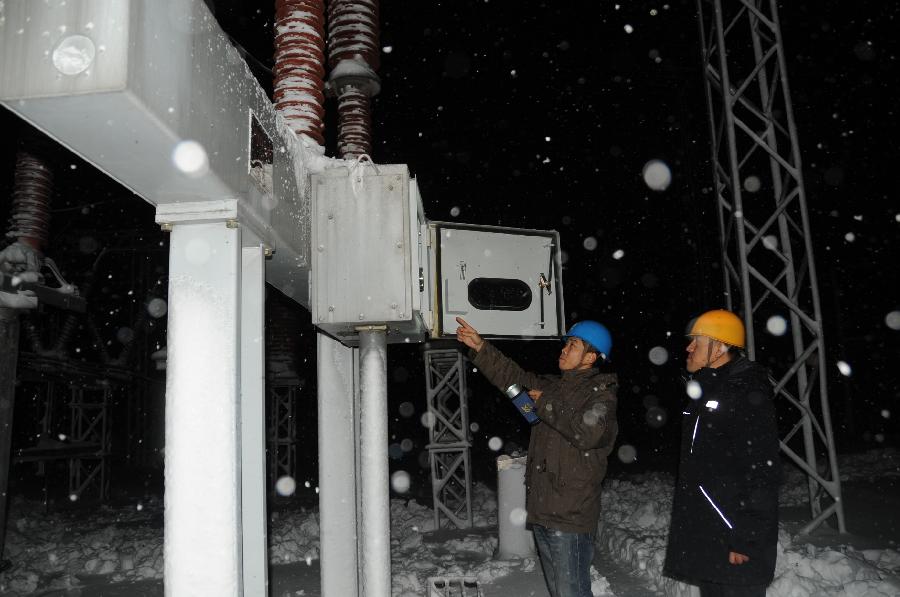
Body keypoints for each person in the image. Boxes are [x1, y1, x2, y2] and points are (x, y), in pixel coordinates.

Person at [455, 316, 618, 597]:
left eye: (573, 345)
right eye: (566, 345)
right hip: (544, 511)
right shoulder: (553, 386)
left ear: (590, 357)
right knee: (559, 591)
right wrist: (480, 347)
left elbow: (586, 433)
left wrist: (545, 403)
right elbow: (511, 376)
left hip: (570, 517)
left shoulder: (601, 397)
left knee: (572, 593)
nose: (564, 350)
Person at [664, 309, 781, 597]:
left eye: (697, 342)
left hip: (734, 539)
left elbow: (762, 470)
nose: (689, 348)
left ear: (720, 347)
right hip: (712, 535)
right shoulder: (708, 389)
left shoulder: (746, 393)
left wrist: (746, 538)